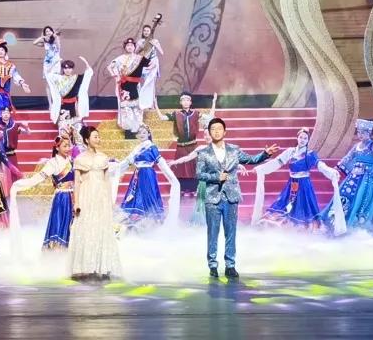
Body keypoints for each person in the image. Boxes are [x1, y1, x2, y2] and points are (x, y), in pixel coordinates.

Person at [195, 118, 279, 278]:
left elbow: (251, 159)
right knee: (212, 233)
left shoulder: (234, 150)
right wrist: (216, 177)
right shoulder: (203, 153)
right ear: (209, 133)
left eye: (219, 129)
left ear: (225, 131)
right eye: (213, 129)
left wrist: (265, 154)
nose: (216, 131)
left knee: (231, 232)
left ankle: (230, 265)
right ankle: (212, 265)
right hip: (212, 199)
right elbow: (199, 174)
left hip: (231, 197)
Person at [68, 126, 121, 281]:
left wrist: (110, 199)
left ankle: (103, 267)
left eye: (98, 136)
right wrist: (76, 202)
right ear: (86, 140)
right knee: (86, 228)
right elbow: (77, 183)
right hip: (86, 195)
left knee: (101, 228)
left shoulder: (103, 158)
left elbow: (107, 181)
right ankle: (84, 267)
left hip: (101, 197)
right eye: (95, 137)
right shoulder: (80, 159)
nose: (98, 139)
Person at [321, 119, 373, 232]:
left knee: (362, 199)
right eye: (358, 132)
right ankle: (337, 219)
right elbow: (348, 157)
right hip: (353, 177)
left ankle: (358, 223)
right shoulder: (356, 146)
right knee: (345, 194)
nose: (360, 135)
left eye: (363, 132)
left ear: (369, 133)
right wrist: (337, 167)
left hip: (367, 179)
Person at [11, 134, 76, 249]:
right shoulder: (53, 163)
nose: (67, 149)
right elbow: (38, 178)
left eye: (68, 146)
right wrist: (21, 184)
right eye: (64, 146)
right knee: (59, 224)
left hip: (74, 196)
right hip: (62, 198)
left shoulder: (71, 160)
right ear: (57, 148)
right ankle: (57, 251)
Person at [115, 123, 180, 229]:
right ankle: (139, 222)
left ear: (149, 134)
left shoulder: (152, 147)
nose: (142, 135)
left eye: (144, 133)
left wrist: (171, 176)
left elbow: (161, 162)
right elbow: (127, 161)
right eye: (140, 133)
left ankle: (153, 222)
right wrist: (116, 167)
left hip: (147, 174)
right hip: (137, 174)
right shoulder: (137, 148)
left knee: (148, 195)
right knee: (136, 195)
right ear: (137, 135)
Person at [164, 93, 214, 196]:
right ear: (180, 102)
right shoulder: (177, 114)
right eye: (183, 100)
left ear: (191, 102)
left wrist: (214, 102)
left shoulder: (196, 113)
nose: (186, 102)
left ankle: (193, 189)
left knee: (193, 167)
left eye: (188, 100)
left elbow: (210, 117)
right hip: (181, 145)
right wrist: (155, 105)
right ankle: (181, 189)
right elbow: (162, 118)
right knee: (181, 168)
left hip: (192, 145)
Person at [106, 38, 152, 137]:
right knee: (126, 109)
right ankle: (128, 131)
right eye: (128, 46)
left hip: (136, 86)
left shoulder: (139, 58)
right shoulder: (120, 59)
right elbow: (110, 67)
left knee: (137, 109)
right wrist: (116, 76)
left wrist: (147, 73)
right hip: (125, 86)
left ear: (134, 47)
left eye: (131, 45)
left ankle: (137, 129)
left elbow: (151, 64)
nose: (130, 47)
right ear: (125, 47)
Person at [0, 38, 31, 127]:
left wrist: (23, 84)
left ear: (5, 52)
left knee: (7, 111)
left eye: (2, 50)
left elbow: (16, 75)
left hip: (6, 93)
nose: (1, 51)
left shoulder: (11, 65)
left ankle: (7, 130)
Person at [45, 58, 93, 126]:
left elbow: (88, 72)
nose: (67, 70)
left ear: (72, 69)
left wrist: (86, 62)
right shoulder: (58, 78)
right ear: (63, 69)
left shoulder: (77, 78)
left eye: (69, 68)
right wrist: (54, 63)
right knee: (63, 127)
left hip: (74, 105)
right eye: (65, 68)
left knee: (76, 126)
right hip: (63, 105)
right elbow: (48, 74)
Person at [136, 24, 164, 111]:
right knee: (142, 83)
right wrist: (140, 46)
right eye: (144, 31)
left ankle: (152, 104)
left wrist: (156, 45)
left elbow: (162, 52)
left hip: (153, 62)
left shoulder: (155, 40)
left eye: (148, 31)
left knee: (151, 84)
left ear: (150, 32)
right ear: (142, 32)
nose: (146, 32)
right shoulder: (140, 41)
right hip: (144, 62)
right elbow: (135, 53)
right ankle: (141, 103)